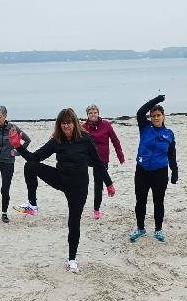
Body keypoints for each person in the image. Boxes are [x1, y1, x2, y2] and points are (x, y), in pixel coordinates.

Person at [9, 108, 115, 273]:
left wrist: (109, 184)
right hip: (60, 179)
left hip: (79, 188)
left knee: (73, 223)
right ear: (59, 125)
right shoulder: (56, 140)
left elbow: (98, 162)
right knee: (30, 166)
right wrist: (18, 146)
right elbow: (35, 158)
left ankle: (72, 260)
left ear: (75, 123)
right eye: (64, 123)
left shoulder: (85, 139)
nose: (67, 126)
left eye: (69, 123)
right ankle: (32, 204)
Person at [130, 94, 178, 242]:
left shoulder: (169, 134)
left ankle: (158, 229)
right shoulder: (145, 128)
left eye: (158, 115)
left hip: (160, 171)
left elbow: (171, 155)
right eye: (153, 116)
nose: (156, 118)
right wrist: (157, 99)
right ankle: (140, 228)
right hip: (142, 170)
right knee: (141, 201)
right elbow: (140, 112)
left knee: (158, 201)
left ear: (163, 116)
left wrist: (174, 171)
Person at [81, 104, 125, 219]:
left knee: (98, 183)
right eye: (90, 113)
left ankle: (96, 209)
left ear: (98, 113)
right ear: (87, 115)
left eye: (95, 112)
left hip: (102, 158)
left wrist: (121, 157)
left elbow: (115, 141)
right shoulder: (84, 127)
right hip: (88, 157)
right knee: (81, 179)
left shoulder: (106, 125)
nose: (93, 115)